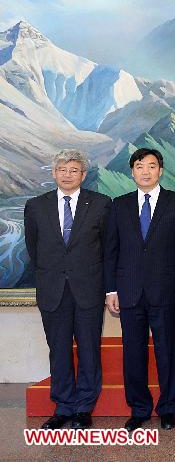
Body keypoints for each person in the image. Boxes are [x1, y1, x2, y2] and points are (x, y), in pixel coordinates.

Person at [104, 148, 175, 432]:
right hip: (128, 291)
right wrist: (111, 290)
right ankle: (139, 409)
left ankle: (168, 409)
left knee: (168, 352)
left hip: (165, 292)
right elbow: (111, 251)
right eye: (139, 166)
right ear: (132, 172)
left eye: (151, 166)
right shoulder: (119, 205)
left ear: (160, 170)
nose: (145, 171)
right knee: (133, 353)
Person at [24, 149, 111, 430]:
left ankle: (84, 408)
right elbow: (34, 249)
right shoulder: (36, 206)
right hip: (53, 291)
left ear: (83, 175)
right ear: (53, 173)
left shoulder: (100, 204)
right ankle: (62, 408)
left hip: (88, 290)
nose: (67, 175)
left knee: (88, 350)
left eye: (74, 170)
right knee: (58, 350)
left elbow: (108, 250)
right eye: (62, 169)